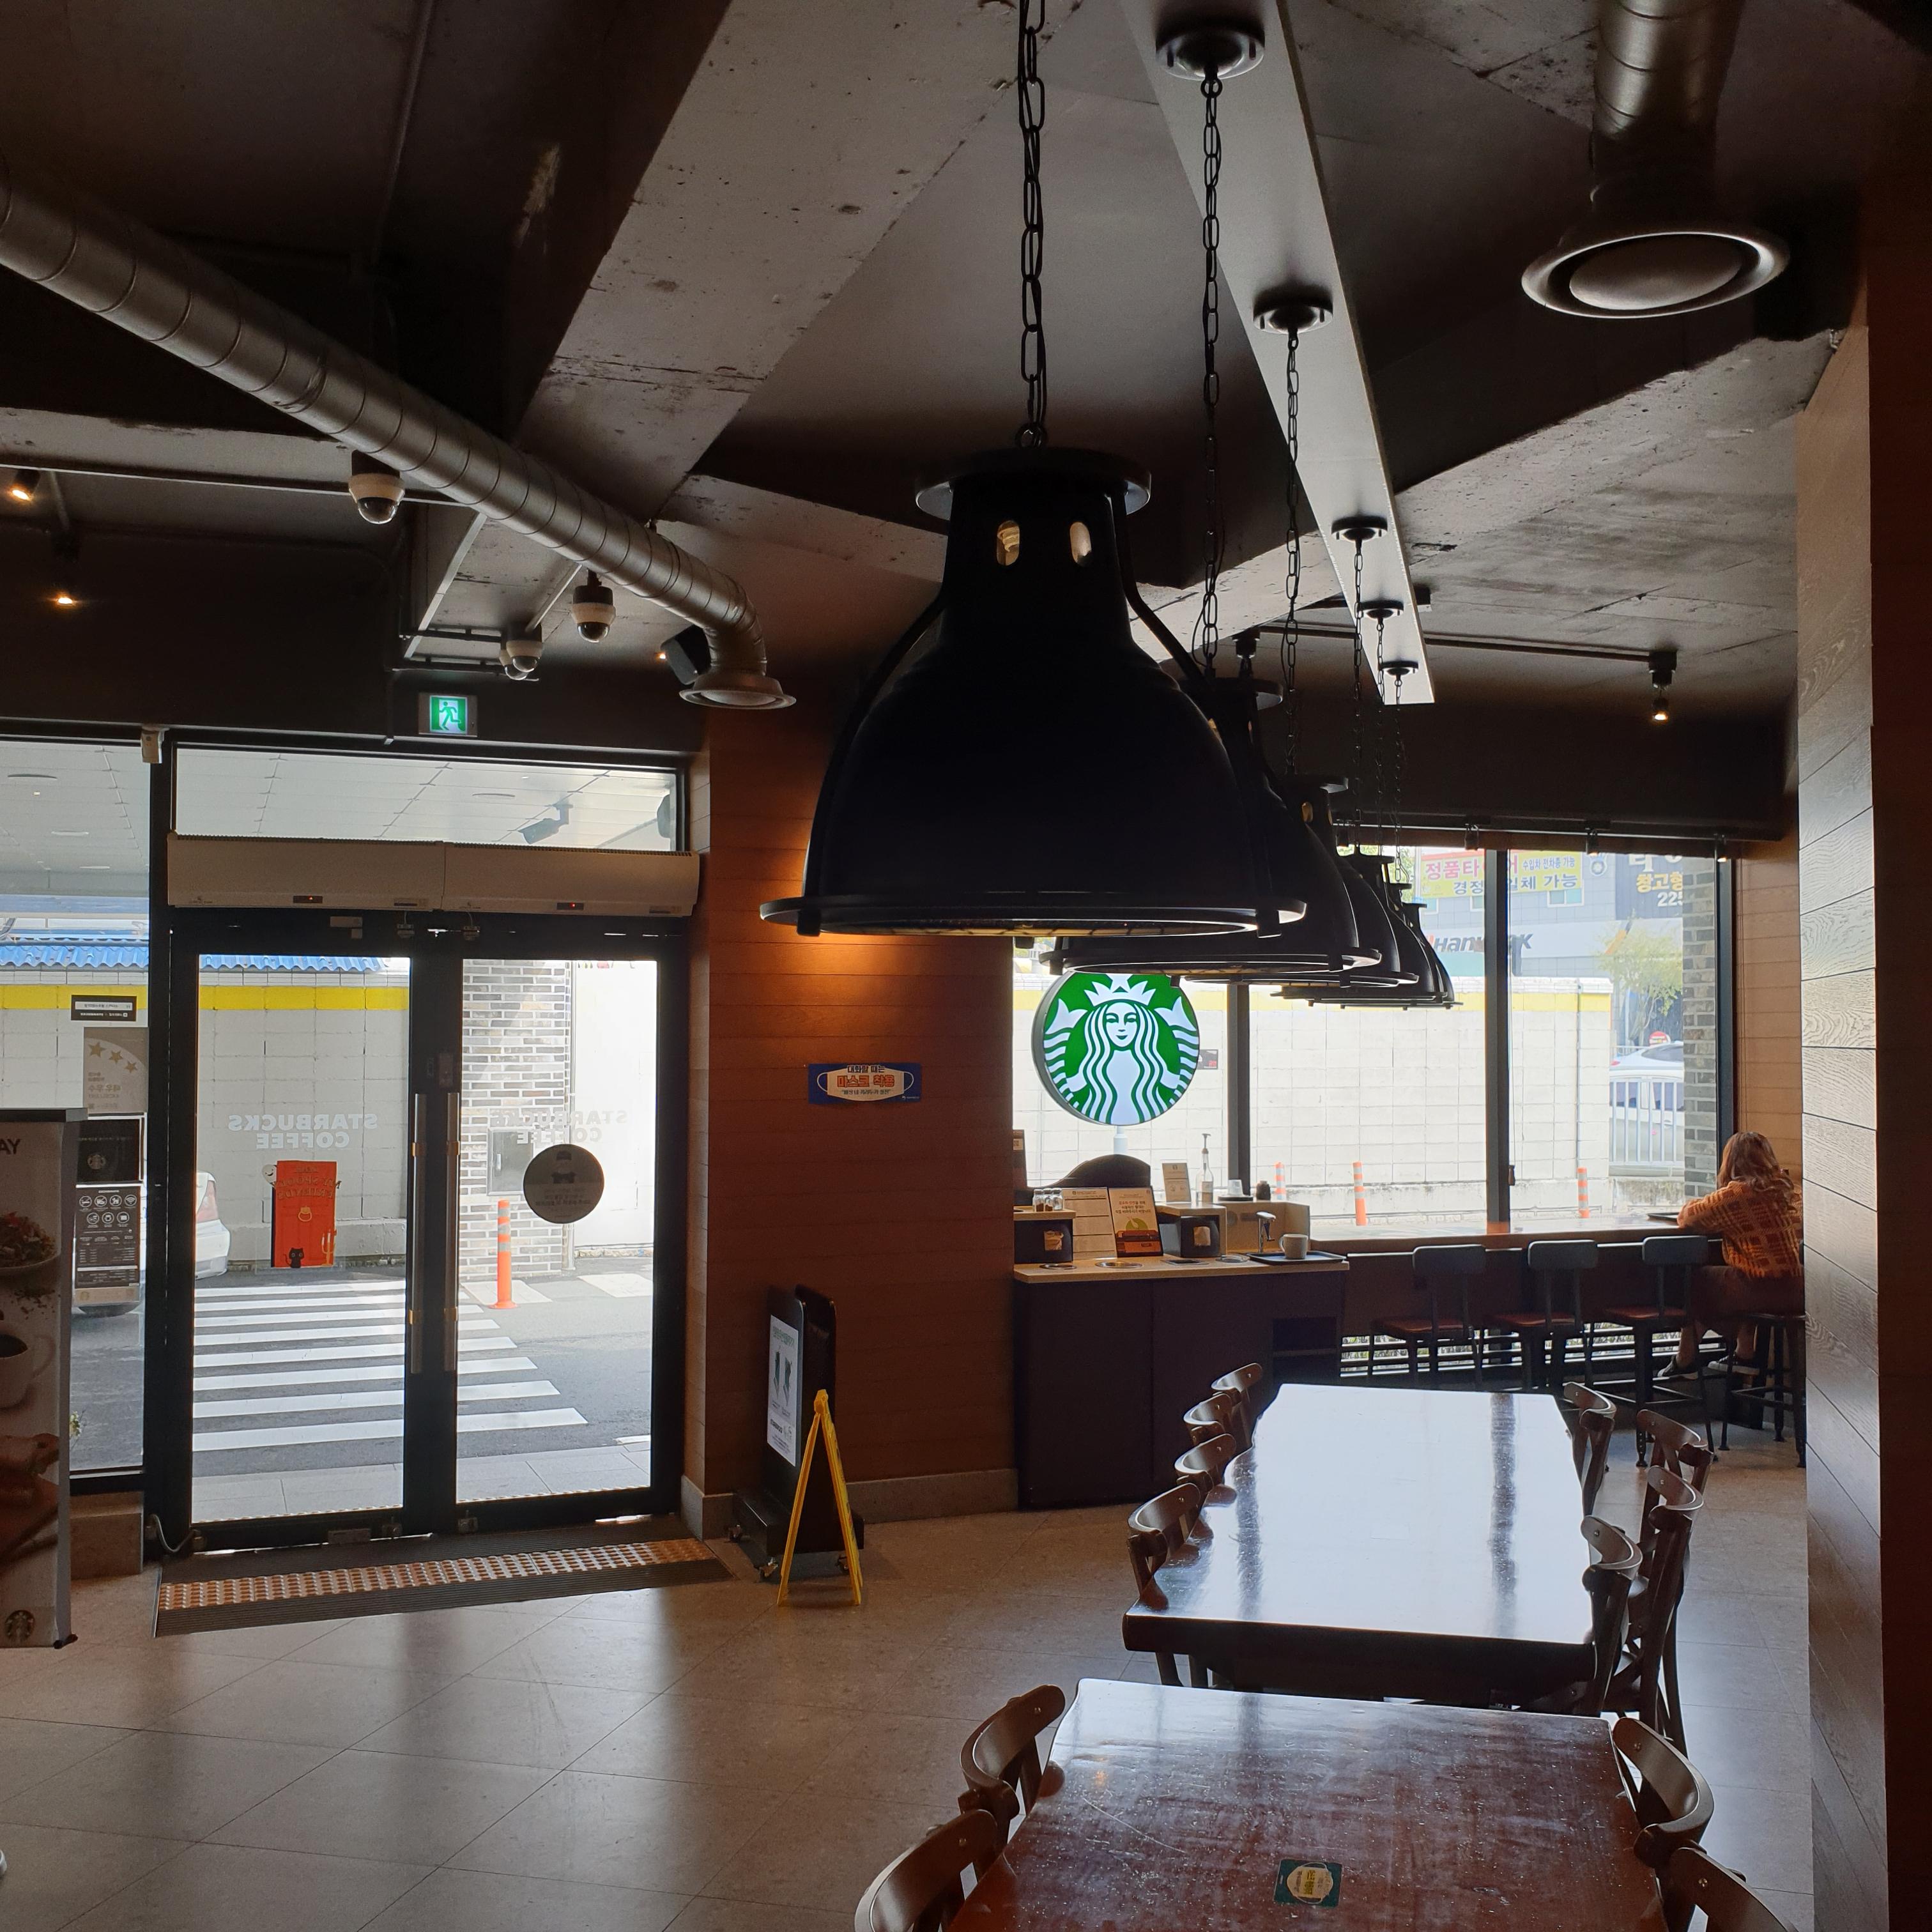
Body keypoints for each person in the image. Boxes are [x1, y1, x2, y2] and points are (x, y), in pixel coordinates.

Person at [1669, 1130, 1802, 1372]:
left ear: (1731, 1162)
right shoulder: (1788, 1191)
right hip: (1798, 1290)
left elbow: (1688, 1217)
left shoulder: (1739, 1193)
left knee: (1699, 1282)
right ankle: (1745, 1351)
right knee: (1738, 1277)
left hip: (1763, 1290)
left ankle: (1686, 1359)